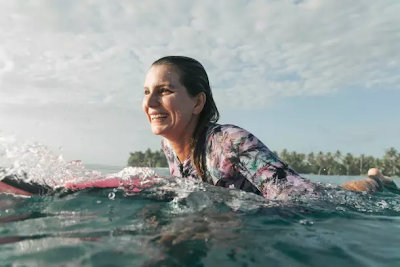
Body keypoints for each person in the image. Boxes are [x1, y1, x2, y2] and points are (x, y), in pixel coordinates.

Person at [142, 55, 398, 200]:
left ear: (197, 102)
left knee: (340, 193)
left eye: (164, 91)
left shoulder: (230, 142)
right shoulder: (169, 146)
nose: (150, 102)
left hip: (311, 196)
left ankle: (376, 179)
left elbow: (303, 200)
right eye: (146, 92)